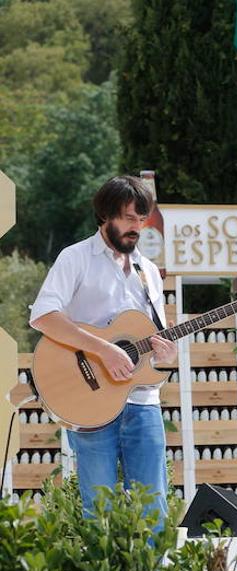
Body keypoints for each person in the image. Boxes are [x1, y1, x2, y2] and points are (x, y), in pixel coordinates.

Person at [30, 175, 176, 526]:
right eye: (128, 218)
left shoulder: (149, 272)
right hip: (90, 402)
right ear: (106, 215)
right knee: (99, 511)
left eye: (141, 219)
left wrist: (166, 357)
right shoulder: (76, 258)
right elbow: (43, 317)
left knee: (154, 508)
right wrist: (103, 350)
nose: (136, 227)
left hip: (143, 403)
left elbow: (156, 341)